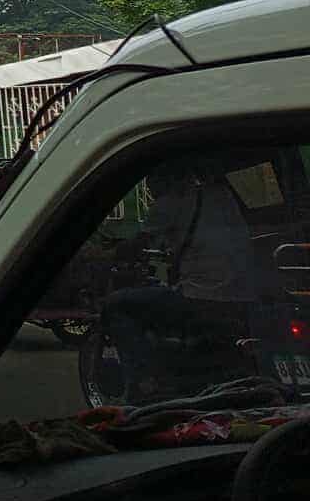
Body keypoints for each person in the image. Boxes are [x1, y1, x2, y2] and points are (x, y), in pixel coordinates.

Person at [99, 162, 262, 402]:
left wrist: (103, 255)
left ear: (163, 179)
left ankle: (145, 384)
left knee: (116, 305)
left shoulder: (171, 202)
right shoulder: (223, 196)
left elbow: (133, 246)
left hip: (202, 298)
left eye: (151, 183)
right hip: (245, 298)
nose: (150, 189)